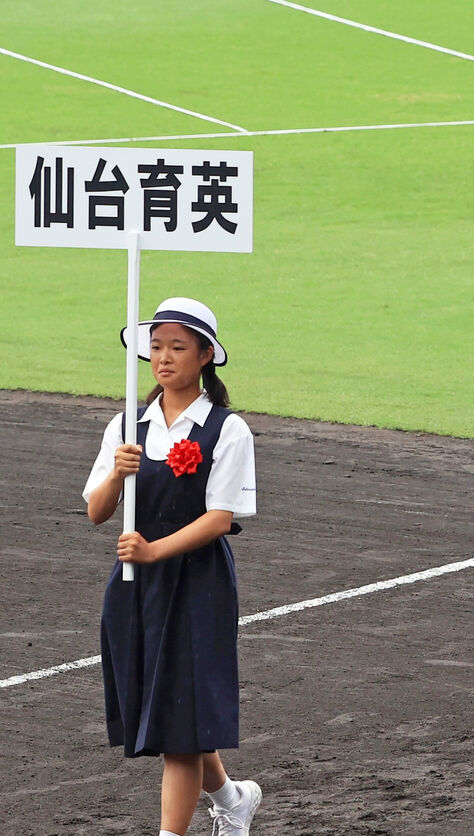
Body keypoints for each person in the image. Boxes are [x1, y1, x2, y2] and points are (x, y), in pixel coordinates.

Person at [83, 297, 262, 833]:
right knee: (169, 712)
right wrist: (118, 473)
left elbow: (219, 518)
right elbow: (96, 511)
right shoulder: (127, 425)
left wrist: (155, 550)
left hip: (196, 584)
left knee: (180, 725)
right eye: (156, 347)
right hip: (134, 584)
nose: (163, 358)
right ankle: (233, 801)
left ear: (206, 355)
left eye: (177, 347)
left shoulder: (228, 430)